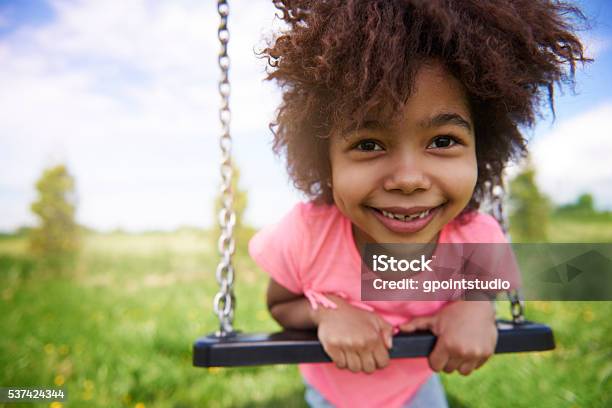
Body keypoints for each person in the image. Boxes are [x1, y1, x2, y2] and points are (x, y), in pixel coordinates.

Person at [248, 1, 589, 407]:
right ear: (326, 160)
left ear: (482, 146)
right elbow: (282, 304)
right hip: (330, 392)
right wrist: (327, 312)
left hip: (417, 390)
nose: (409, 179)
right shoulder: (307, 235)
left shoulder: (476, 238)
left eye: (443, 141)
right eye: (369, 144)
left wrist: (476, 309)